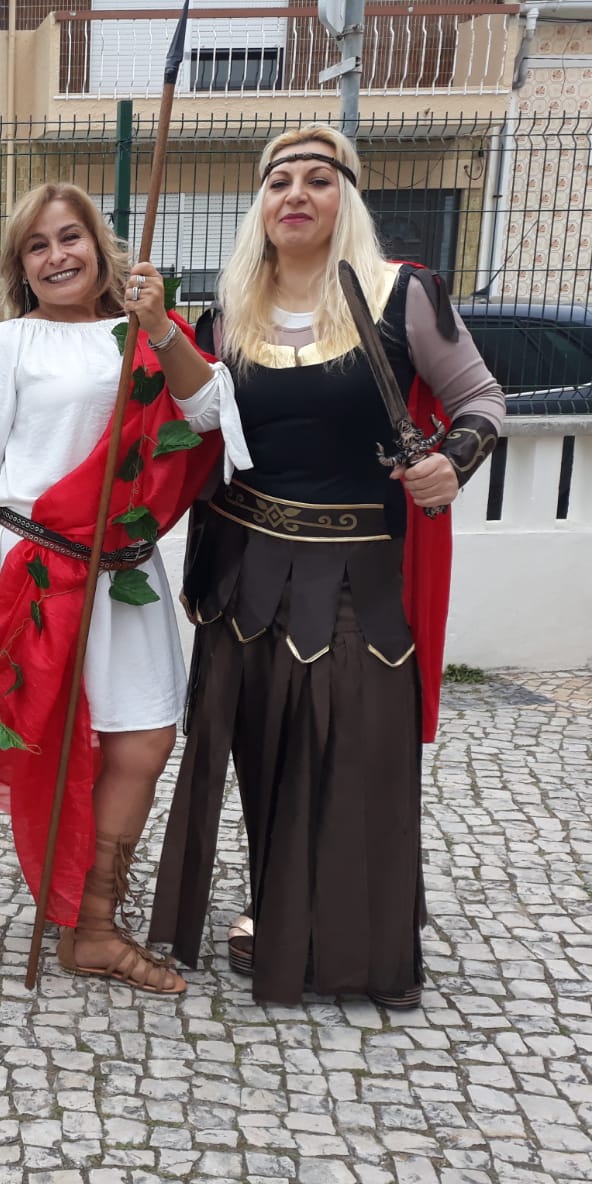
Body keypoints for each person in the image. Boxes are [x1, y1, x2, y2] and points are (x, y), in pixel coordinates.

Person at [148, 125, 504, 1008]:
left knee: (354, 748)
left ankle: (359, 940)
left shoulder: (403, 294)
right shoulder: (229, 312)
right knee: (263, 747)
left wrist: (452, 461)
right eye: (279, 182)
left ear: (348, 197)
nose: (296, 195)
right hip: (244, 569)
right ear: (260, 204)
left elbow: (480, 399)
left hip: (358, 569)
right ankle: (274, 910)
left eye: (318, 179)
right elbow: (204, 434)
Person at [0, 182, 246, 996]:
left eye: (70, 237)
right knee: (57, 745)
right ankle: (93, 927)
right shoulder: (7, 344)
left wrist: (159, 328)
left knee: (143, 739)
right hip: (40, 568)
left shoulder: (145, 330)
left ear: (100, 244)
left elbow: (210, 413)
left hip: (123, 570)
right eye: (37, 246)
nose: (57, 257)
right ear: (20, 266)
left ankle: (94, 914)